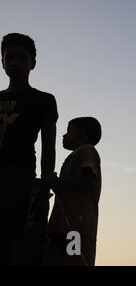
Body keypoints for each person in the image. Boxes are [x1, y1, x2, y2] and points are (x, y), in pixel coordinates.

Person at [0, 33, 58, 265]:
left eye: (22, 58)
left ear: (32, 63)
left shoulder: (43, 100)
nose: (15, 62)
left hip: (19, 174)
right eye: (9, 57)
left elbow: (49, 146)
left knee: (12, 238)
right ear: (2, 62)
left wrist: (44, 188)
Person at [45, 117, 102, 266]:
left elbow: (88, 182)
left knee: (73, 262)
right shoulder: (76, 155)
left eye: (69, 130)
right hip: (62, 227)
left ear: (82, 133)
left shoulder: (86, 151)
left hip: (76, 230)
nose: (64, 135)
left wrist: (58, 183)